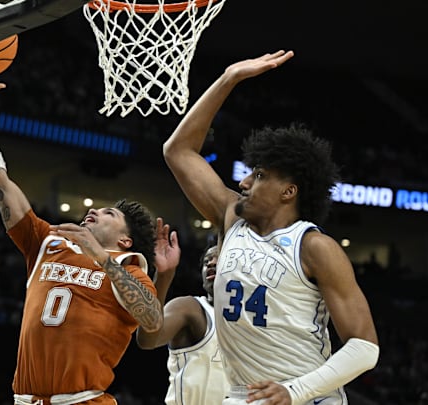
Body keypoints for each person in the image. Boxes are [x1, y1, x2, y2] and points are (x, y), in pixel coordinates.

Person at [162, 50, 379, 405]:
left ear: (288, 192)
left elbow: (365, 348)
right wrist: (228, 78)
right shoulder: (231, 217)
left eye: (259, 175)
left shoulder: (313, 247)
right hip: (244, 396)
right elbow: (178, 151)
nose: (245, 182)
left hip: (306, 398)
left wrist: (294, 391)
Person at [0, 63, 164, 405]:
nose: (94, 210)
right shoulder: (47, 241)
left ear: (125, 241)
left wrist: (101, 259)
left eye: (109, 213)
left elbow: (153, 321)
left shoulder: (129, 269)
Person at [135, 221, 230, 405]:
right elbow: (147, 340)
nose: (211, 263)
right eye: (206, 261)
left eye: (220, 257)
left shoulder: (250, 320)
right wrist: (164, 276)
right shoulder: (190, 308)